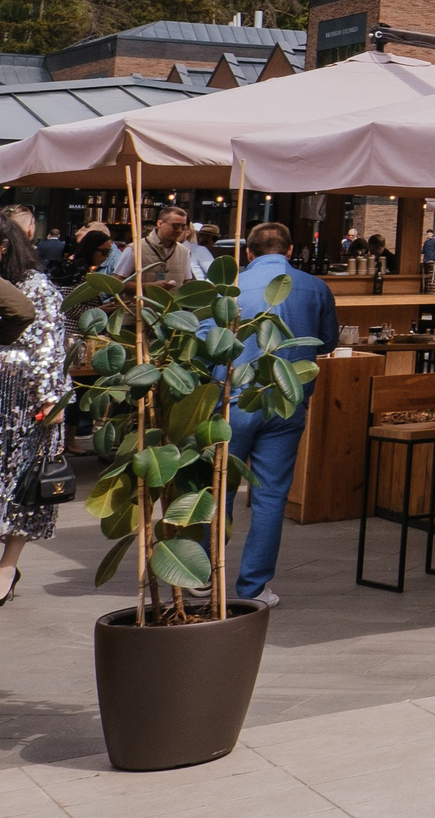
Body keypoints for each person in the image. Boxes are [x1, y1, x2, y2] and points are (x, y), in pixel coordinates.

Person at [227, 221, 337, 606]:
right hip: (287, 398)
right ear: (290, 251)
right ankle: (253, 587)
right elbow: (327, 341)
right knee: (271, 495)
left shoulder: (231, 287)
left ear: (248, 252)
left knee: (219, 487)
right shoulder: (315, 286)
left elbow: (208, 344)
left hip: (236, 398)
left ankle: (202, 575)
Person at [0, 213, 70, 608]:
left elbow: (48, 346)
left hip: (25, 403)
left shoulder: (35, 286)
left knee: (26, 484)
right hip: (6, 400)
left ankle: (7, 566)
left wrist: (48, 399)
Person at [111, 204, 211, 287]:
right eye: (175, 226)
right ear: (160, 223)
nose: (179, 230)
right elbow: (117, 282)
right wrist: (150, 287)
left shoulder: (184, 252)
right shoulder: (135, 249)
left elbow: (186, 283)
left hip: (172, 309)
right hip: (140, 309)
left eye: (183, 227)